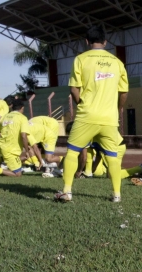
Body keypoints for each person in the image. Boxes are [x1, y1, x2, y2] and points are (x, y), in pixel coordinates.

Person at [57, 26, 129, 203]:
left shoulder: (80, 59)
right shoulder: (117, 62)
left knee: (72, 152)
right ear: (105, 42)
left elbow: (74, 88)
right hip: (110, 119)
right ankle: (116, 195)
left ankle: (67, 191)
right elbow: (124, 92)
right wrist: (117, 110)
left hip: (86, 116)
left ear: (87, 42)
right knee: (112, 156)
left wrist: (82, 104)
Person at [0, 98, 31, 178]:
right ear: (22, 108)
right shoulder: (22, 118)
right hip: (11, 149)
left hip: (1, 146)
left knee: (6, 159)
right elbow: (24, 135)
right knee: (17, 174)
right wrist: (27, 150)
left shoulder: (4, 117)